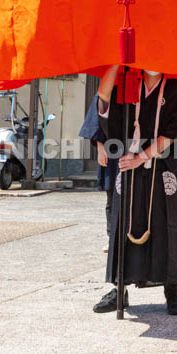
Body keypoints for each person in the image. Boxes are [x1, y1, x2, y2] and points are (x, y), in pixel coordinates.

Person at [91, 65, 177, 315]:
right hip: (130, 164)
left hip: (161, 164)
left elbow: (173, 132)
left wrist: (143, 156)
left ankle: (173, 291)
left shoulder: (175, 87)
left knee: (168, 226)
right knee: (122, 224)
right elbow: (104, 99)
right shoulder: (128, 82)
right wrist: (116, 62)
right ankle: (120, 289)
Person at [79, 98, 118, 252]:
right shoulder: (106, 90)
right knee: (112, 197)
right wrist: (100, 149)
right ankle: (112, 238)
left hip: (136, 149)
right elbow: (95, 121)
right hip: (112, 150)